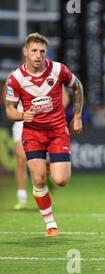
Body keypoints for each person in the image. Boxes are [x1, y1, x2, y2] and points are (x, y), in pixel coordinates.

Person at [4, 32, 84, 236]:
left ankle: (49, 167)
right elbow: (10, 110)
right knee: (38, 180)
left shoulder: (58, 69)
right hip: (32, 133)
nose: (38, 55)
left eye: (42, 51)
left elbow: (77, 87)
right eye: (34, 51)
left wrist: (77, 116)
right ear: (25, 52)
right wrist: (22, 115)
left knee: (61, 180)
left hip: (57, 131)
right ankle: (51, 225)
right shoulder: (16, 79)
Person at [4, 78, 70, 210]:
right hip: (23, 121)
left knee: (44, 169)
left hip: (47, 122)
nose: (37, 56)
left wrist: (52, 114)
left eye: (40, 54)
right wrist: (20, 115)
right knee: (21, 157)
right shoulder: (14, 77)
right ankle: (22, 197)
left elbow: (66, 99)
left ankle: (45, 171)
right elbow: (8, 105)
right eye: (33, 54)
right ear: (25, 55)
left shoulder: (52, 74)